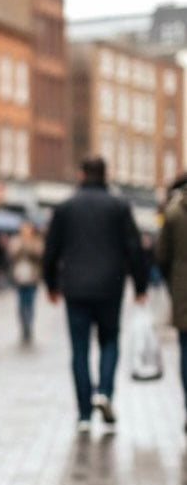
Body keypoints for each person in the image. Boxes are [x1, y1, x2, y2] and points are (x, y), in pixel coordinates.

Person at [43, 155, 148, 430]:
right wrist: (141, 286)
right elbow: (135, 248)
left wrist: (51, 284)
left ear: (81, 174)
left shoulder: (65, 208)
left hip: (75, 288)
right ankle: (104, 393)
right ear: (106, 174)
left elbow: (51, 250)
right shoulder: (119, 206)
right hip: (110, 287)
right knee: (109, 342)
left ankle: (84, 414)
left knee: (79, 349)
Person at [155, 172, 187, 430]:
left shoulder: (174, 213)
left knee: (186, 351)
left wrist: (172, 282)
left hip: (183, 290)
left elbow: (161, 255)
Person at [9, 220, 44, 343]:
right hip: (20, 277)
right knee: (21, 304)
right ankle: (23, 326)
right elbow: (12, 254)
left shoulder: (36, 241)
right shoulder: (16, 240)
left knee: (30, 303)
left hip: (32, 277)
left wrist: (29, 245)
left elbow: (40, 254)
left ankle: (29, 325)